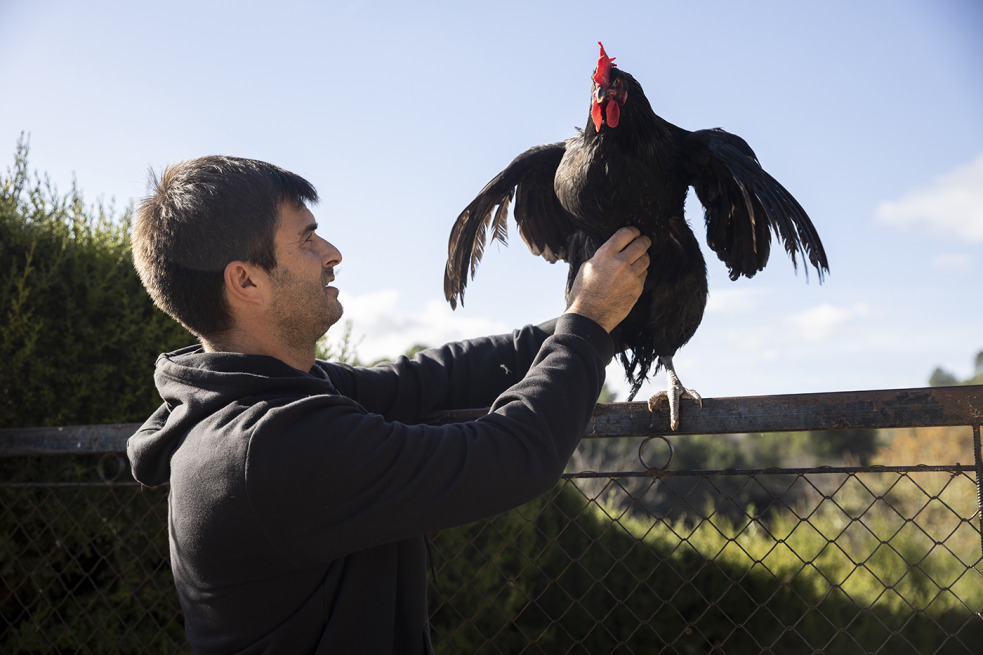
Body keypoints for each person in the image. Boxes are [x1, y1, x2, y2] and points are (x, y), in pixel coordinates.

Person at [126, 155, 650, 654]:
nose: (332, 252)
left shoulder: (269, 394)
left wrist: (608, 316)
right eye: (306, 239)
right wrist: (587, 325)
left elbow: (429, 381)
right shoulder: (269, 446)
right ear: (246, 281)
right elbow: (508, 455)